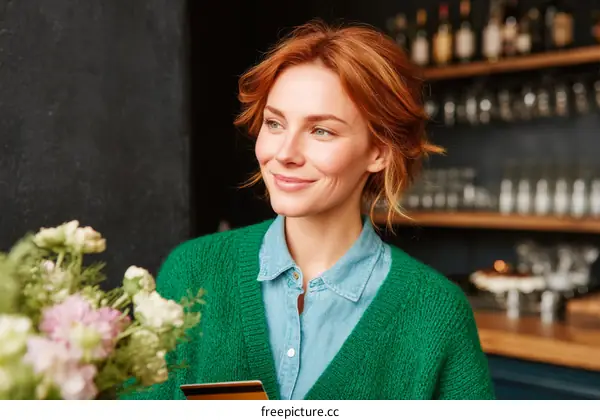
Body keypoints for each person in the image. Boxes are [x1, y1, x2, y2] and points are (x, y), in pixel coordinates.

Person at [122, 20, 495, 400]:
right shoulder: (192, 273)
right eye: (275, 123)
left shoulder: (436, 313)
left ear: (379, 152)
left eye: (321, 131)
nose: (284, 154)